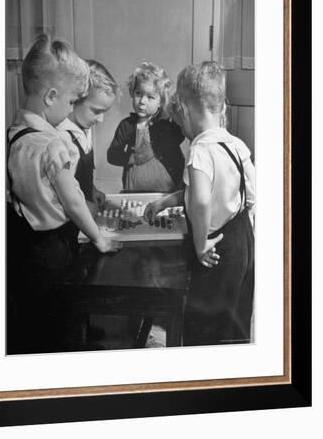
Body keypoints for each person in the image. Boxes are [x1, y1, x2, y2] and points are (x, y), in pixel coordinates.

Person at [6, 34, 120, 354]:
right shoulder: (54, 144)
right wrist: (98, 237)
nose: (71, 110)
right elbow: (72, 200)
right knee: (60, 323)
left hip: (22, 247)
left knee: (35, 321)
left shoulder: (15, 133)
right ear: (51, 96)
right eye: (71, 102)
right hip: (52, 249)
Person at [145, 61, 255, 346]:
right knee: (234, 315)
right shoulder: (236, 144)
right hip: (241, 239)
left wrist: (200, 243)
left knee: (204, 323)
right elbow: (247, 194)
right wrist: (167, 201)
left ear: (183, 110)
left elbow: (203, 200)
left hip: (214, 245)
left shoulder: (200, 151)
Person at [107, 62, 184, 193]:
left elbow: (181, 134)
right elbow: (112, 155)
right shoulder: (126, 125)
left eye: (150, 97)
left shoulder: (167, 125)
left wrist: (172, 111)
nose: (142, 101)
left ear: (161, 102)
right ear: (132, 92)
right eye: (138, 93)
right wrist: (130, 158)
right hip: (134, 189)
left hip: (166, 190)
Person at [57, 59, 118, 213]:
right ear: (76, 100)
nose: (101, 119)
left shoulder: (83, 129)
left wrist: (91, 189)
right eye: (97, 111)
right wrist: (84, 208)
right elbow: (60, 194)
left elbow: (77, 178)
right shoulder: (62, 137)